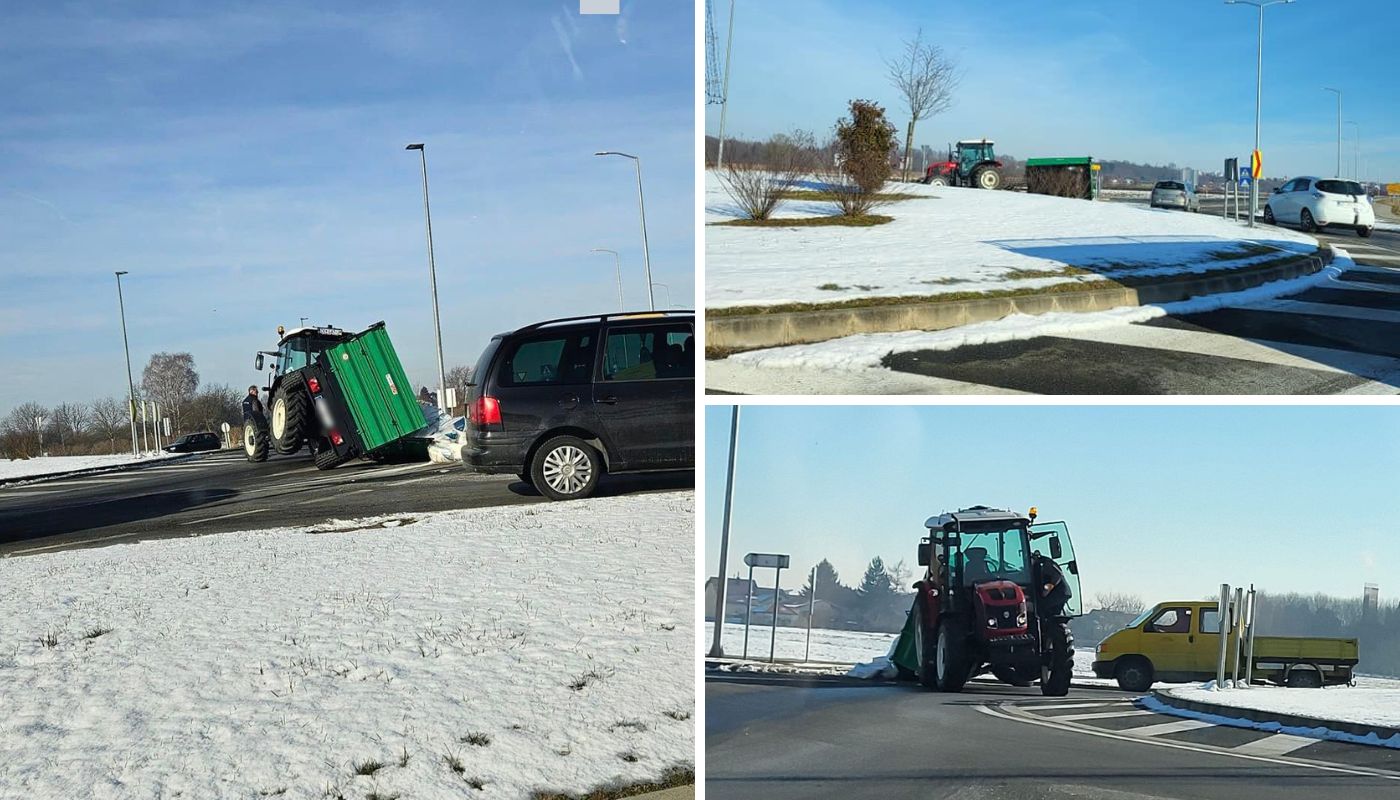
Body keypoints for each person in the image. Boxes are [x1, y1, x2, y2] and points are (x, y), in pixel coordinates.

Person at [1032, 553, 1071, 618]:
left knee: (1038, 607)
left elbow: (1057, 575)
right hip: (1062, 593)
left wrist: (1047, 589)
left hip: (1059, 592)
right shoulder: (1042, 564)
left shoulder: (1046, 564)